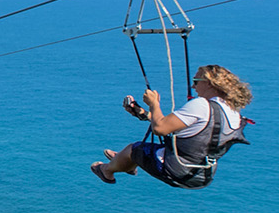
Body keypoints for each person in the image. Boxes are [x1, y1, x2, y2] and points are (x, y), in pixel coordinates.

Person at [91, 64, 252, 190]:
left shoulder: (202, 105)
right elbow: (187, 130)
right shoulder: (232, 113)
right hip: (202, 176)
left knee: (134, 149)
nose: (193, 87)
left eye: (196, 82)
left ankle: (107, 171)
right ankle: (125, 163)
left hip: (178, 170)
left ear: (210, 83)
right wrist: (143, 113)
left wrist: (154, 104)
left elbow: (160, 128)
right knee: (136, 153)